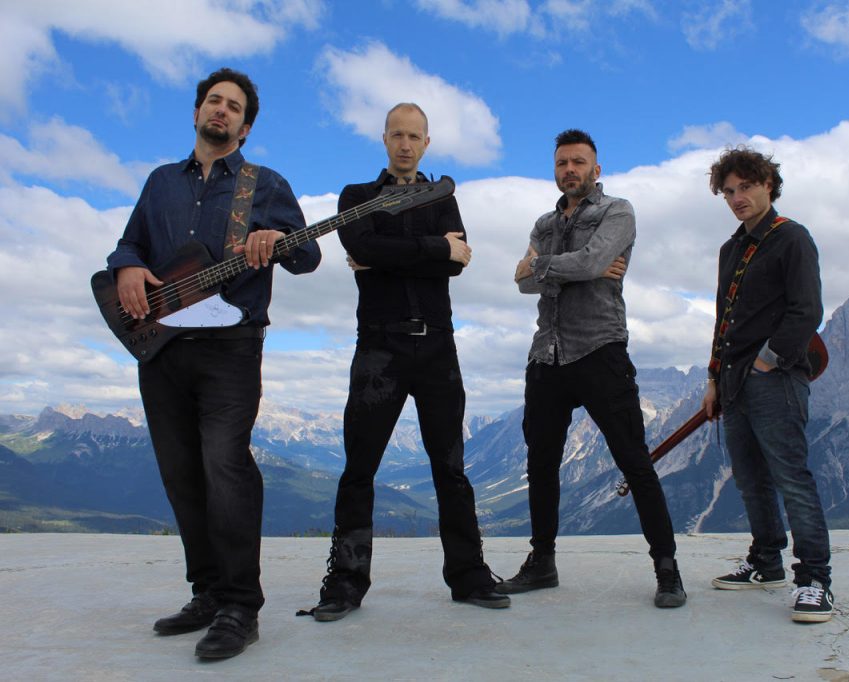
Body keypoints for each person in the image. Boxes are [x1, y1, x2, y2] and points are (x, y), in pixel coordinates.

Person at [106, 67, 322, 658]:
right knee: (181, 473)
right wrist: (126, 267)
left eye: (233, 106)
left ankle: (239, 607)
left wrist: (276, 239)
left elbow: (308, 256)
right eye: (213, 101)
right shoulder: (160, 182)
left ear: (245, 127)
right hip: (162, 347)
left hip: (232, 346)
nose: (221, 110)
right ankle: (205, 593)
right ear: (197, 111)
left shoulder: (265, 185)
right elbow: (130, 243)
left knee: (225, 465)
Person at [303, 103, 508, 621]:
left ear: (426, 142)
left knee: (451, 468)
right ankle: (345, 584)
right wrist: (434, 248)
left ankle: (469, 577)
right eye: (397, 134)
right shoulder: (357, 197)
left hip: (437, 346)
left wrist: (390, 254)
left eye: (415, 136)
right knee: (360, 467)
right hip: (379, 347)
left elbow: (455, 264)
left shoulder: (443, 196)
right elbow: (362, 244)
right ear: (384, 139)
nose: (406, 144)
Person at [502, 129, 686, 608]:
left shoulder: (617, 212)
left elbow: (584, 264)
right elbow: (522, 283)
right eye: (562, 163)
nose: (570, 170)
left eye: (578, 162)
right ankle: (542, 563)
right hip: (546, 356)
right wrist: (577, 266)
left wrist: (546, 266)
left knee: (634, 461)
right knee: (541, 465)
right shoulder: (544, 222)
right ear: (555, 169)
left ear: (596, 169)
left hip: (601, 350)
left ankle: (667, 570)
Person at [702, 147, 833, 623]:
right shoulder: (730, 249)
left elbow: (807, 309)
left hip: (775, 379)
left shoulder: (792, 238)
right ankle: (766, 562)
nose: (737, 198)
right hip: (733, 381)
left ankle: (815, 580)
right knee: (750, 478)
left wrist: (767, 360)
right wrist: (714, 377)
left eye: (746, 187)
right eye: (728, 191)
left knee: (791, 479)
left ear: (769, 185)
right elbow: (724, 319)